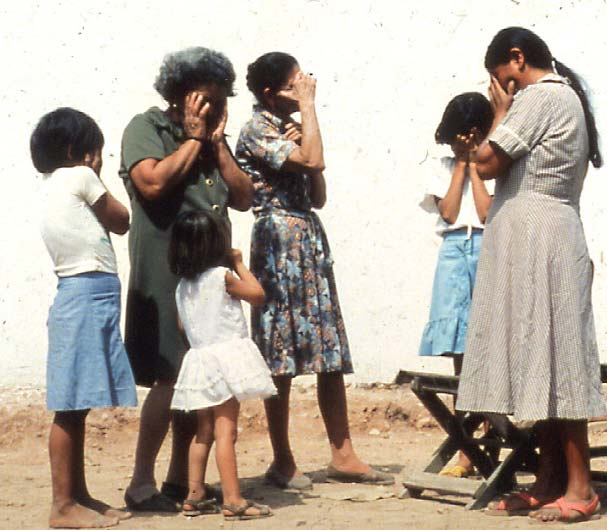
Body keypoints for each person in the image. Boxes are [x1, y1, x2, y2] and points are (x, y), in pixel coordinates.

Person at [455, 27, 606, 523]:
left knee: (559, 357)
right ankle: (548, 480)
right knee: (539, 356)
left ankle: (581, 488)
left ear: (517, 60)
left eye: (499, 78)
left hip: (544, 240)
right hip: (534, 239)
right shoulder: (550, 98)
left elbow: (489, 160)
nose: (500, 88)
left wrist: (499, 114)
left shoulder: (541, 96)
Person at [236, 51, 393, 490]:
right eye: (293, 84)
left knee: (328, 348)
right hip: (278, 242)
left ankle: (343, 454)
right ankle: (282, 459)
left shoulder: (291, 126)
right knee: (280, 351)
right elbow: (312, 163)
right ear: (271, 93)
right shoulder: (256, 129)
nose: (303, 88)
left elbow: (318, 190)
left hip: (306, 235)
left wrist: (306, 132)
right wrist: (308, 112)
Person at [119, 47, 253, 511]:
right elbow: (152, 183)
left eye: (221, 99)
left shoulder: (215, 139)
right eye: (207, 98)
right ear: (180, 95)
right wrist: (194, 141)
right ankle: (140, 482)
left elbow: (243, 197)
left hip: (206, 275)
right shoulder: (146, 128)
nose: (216, 107)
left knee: (197, 376)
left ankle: (180, 481)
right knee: (166, 376)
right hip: (164, 270)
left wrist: (215, 144)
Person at [31, 107, 137, 529]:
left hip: (81, 295)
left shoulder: (49, 185)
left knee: (78, 404)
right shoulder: (80, 176)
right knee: (70, 405)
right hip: (86, 294)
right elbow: (121, 220)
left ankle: (78, 495)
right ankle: (62, 505)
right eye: (98, 153)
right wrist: (98, 175)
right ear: (79, 151)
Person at [168, 210, 276, 520]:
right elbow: (257, 294)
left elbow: (182, 325)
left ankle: (195, 494)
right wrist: (239, 263)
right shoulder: (221, 277)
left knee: (204, 432)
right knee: (226, 431)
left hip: (200, 361)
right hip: (225, 361)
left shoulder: (181, 287)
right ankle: (233, 499)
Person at [418, 92, 494, 478]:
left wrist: (476, 165)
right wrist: (461, 165)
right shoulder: (441, 164)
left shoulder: (495, 162)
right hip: (453, 250)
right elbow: (448, 211)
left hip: (485, 247)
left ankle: (489, 444)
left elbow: (485, 211)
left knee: (488, 346)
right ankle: (467, 454)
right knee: (461, 355)